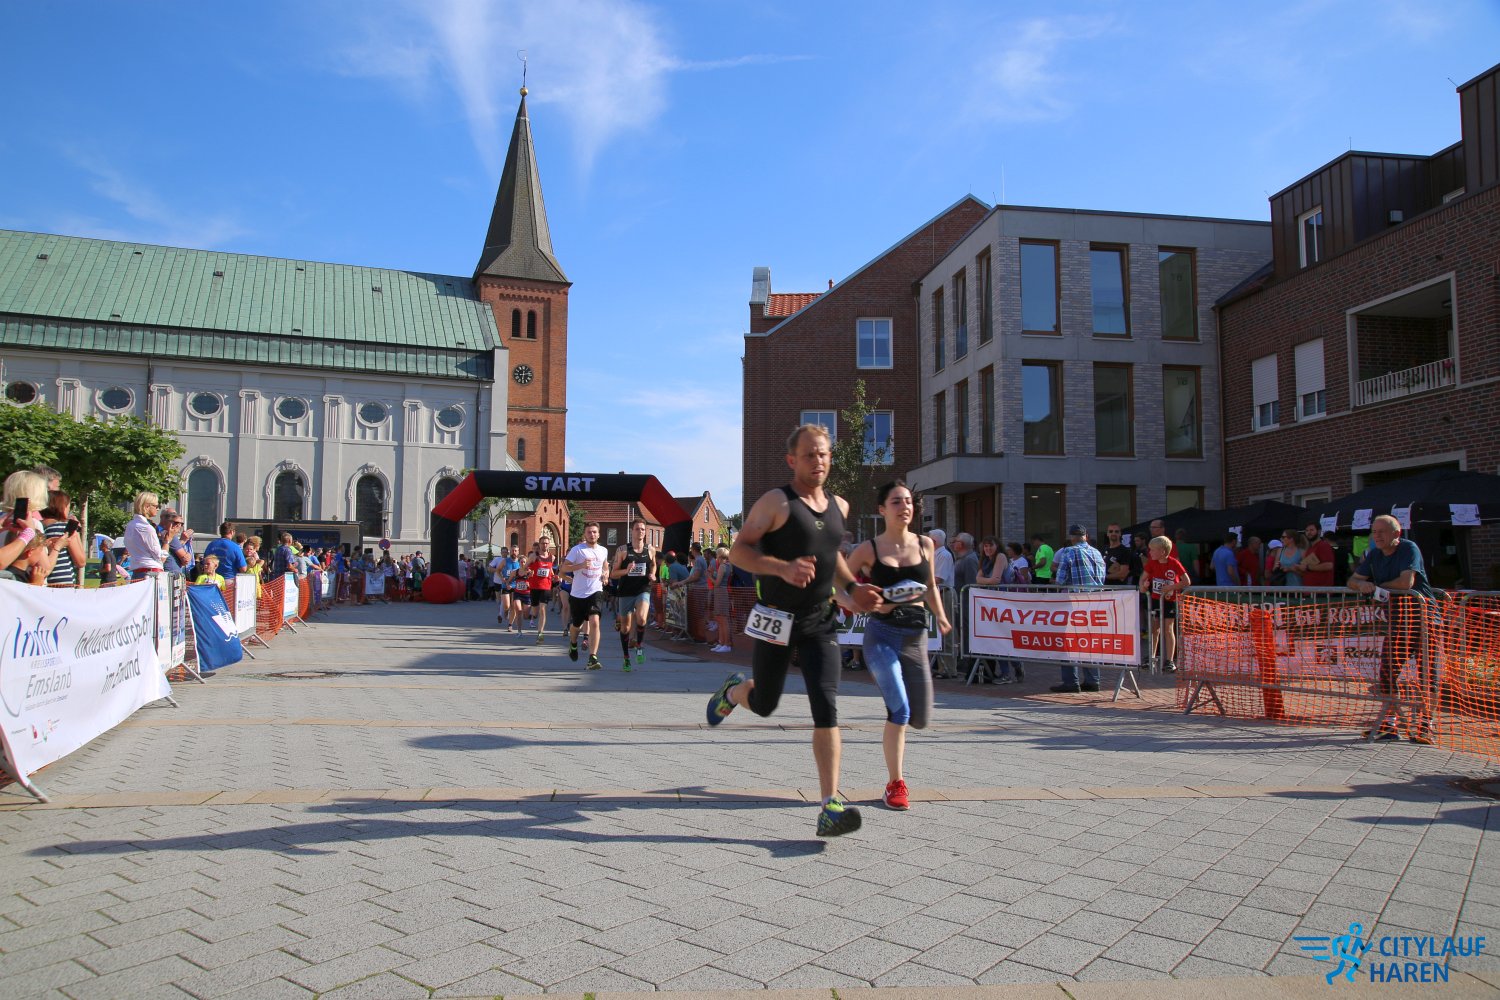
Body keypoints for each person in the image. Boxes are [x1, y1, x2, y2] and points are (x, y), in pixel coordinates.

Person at [706, 423, 881, 837]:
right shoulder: (777, 502)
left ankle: (830, 805)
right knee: (765, 704)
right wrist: (782, 568)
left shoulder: (839, 505)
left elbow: (832, 559)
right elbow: (739, 551)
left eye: (823, 454)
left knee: (826, 705)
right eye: (809, 455)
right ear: (792, 460)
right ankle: (734, 691)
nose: (818, 461)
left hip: (820, 620)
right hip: (776, 617)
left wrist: (853, 588)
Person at [845, 480, 951, 810]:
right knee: (900, 710)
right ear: (882, 509)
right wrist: (853, 601)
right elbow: (837, 583)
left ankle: (896, 773)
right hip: (881, 636)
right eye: (896, 502)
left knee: (919, 719)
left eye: (908, 501)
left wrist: (942, 617)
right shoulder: (868, 549)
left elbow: (930, 586)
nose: (904, 507)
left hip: (915, 638)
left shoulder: (925, 544)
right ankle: (895, 784)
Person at [1350, 514, 1437, 744]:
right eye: (1374, 532)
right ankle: (1390, 723)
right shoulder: (1374, 554)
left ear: (1396, 534)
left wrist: (1375, 587)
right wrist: (1362, 584)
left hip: (1423, 619)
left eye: (1382, 531)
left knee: (1427, 674)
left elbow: (1405, 582)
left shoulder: (1408, 549)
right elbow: (1352, 581)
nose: (1377, 536)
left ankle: (1426, 723)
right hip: (1398, 621)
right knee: (1387, 672)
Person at [1050, 524, 1108, 692]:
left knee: (1069, 641)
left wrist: (1056, 582)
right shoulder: (1096, 552)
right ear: (1085, 536)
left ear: (1071, 537)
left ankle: (1070, 682)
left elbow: (1060, 579)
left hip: (1074, 602)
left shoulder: (1069, 551)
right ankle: (1093, 680)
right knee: (1089, 641)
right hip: (1095, 601)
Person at [609, 520, 656, 669]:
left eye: (642, 529)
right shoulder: (623, 550)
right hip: (626, 591)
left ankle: (639, 645)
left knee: (642, 618)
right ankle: (626, 658)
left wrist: (653, 574)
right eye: (637, 529)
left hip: (643, 589)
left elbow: (653, 564)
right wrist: (626, 571)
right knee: (625, 628)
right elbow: (613, 574)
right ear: (632, 531)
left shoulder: (650, 549)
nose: (640, 531)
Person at [1140, 535, 1191, 672]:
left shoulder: (1174, 563)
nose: (1150, 552)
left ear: (1162, 551)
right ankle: (1151, 657)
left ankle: (1170, 660)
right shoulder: (1151, 563)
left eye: (1153, 550)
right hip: (1155, 599)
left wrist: (1170, 587)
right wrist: (1144, 586)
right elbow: (1142, 580)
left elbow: (1186, 581)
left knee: (1168, 628)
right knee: (1154, 628)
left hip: (1170, 600)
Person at [561, 524, 609, 669]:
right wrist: (580, 565)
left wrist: (605, 576)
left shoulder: (603, 550)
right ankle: (573, 644)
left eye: (594, 532)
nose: (592, 534)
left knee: (595, 621)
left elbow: (605, 567)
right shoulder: (577, 550)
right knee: (576, 626)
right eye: (589, 532)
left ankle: (592, 657)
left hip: (596, 591)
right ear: (585, 534)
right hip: (578, 594)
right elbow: (564, 568)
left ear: (598, 534)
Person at [0, 471, 57, 585]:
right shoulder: (32, 524)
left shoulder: (3, 521)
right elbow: (44, 568)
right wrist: (57, 548)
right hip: (24, 586)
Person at [41, 491, 85, 587]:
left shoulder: (38, 526)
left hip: (41, 580)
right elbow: (81, 561)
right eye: (68, 506)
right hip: (62, 581)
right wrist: (76, 532)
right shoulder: (64, 528)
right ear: (61, 507)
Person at [124, 491, 165, 581]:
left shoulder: (130, 525)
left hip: (137, 570)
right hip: (151, 571)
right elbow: (158, 554)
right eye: (156, 506)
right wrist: (167, 543)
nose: (158, 509)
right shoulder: (147, 527)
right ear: (147, 506)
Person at [524, 537, 557, 644]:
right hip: (534, 587)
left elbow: (550, 569)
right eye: (543, 543)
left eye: (546, 543)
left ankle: (540, 633)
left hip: (546, 587)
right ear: (539, 544)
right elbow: (525, 567)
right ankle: (533, 615)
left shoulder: (552, 557)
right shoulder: (534, 556)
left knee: (543, 609)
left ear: (549, 544)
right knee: (535, 611)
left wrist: (554, 576)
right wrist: (529, 571)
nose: (545, 545)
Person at [709, 546, 735, 655]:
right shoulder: (728, 566)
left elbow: (717, 583)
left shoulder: (723, 566)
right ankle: (722, 642)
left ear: (719, 556)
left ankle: (726, 644)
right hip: (721, 593)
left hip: (721, 592)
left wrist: (709, 576)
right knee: (720, 619)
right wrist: (713, 573)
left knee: (723, 619)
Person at [1103, 523, 1140, 589]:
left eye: (1116, 531)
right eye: (1111, 531)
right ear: (1107, 534)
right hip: (1104, 588)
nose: (1113, 533)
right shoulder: (1104, 549)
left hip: (1118, 590)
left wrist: (1104, 576)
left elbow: (1123, 574)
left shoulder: (1125, 551)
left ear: (1120, 534)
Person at [1300, 522, 1336, 587]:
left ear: (1319, 531)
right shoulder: (1310, 549)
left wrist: (1308, 567)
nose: (1309, 533)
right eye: (1307, 530)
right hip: (1309, 589)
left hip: (1320, 590)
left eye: (1311, 530)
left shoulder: (1323, 545)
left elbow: (1329, 565)